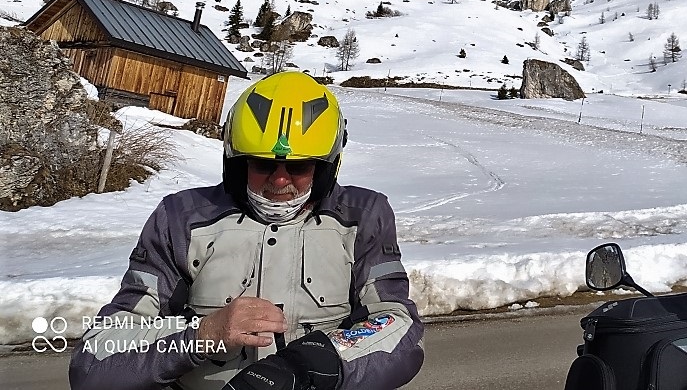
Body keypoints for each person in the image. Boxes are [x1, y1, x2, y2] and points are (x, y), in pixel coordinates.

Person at [69, 71, 424, 390]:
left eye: (299, 166)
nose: (280, 180)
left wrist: (310, 366)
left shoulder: (362, 218)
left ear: (326, 168)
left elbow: (400, 329)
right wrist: (205, 334)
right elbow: (96, 360)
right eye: (262, 164)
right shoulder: (180, 220)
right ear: (236, 163)